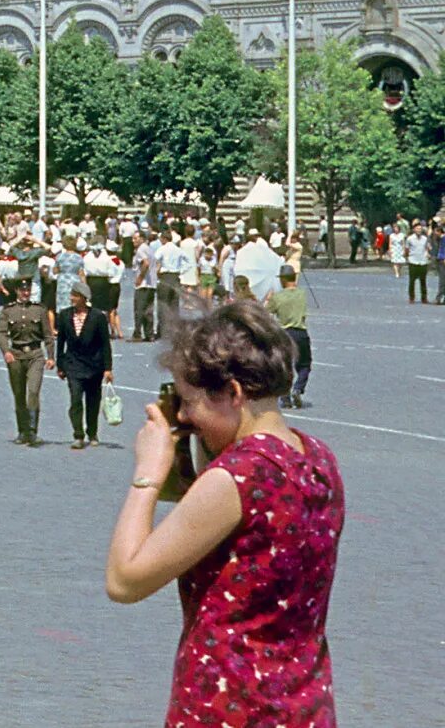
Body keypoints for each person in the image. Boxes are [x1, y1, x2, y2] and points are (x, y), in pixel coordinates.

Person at [105, 302, 343, 726]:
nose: (182, 415)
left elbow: (125, 580)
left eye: (191, 402)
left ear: (233, 393)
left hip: (227, 704)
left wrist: (148, 473)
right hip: (302, 702)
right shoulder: (319, 458)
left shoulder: (236, 477)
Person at [0, 272, 54, 446]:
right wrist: (6, 350)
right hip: (16, 355)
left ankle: (33, 431)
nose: (25, 293)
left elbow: (48, 335)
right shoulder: (8, 310)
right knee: (19, 394)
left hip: (35, 354)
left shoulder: (39, 309)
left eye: (28, 290)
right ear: (16, 291)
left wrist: (51, 356)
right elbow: (1, 333)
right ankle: (22, 431)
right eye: (22, 290)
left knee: (34, 392)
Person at [55, 284, 114, 449]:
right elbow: (61, 343)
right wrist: (60, 365)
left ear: (83, 297)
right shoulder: (65, 315)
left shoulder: (97, 317)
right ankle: (78, 435)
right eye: (71, 295)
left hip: (94, 366)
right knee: (75, 401)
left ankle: (92, 432)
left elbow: (105, 344)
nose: (72, 298)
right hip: (73, 365)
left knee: (93, 402)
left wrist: (108, 368)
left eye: (75, 295)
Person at [265, 263, 312, 409]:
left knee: (285, 366)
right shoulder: (302, 294)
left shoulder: (278, 297)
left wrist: (269, 298)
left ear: (283, 280)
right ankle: (298, 388)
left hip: (285, 333)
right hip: (300, 331)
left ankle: (285, 397)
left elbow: (266, 312)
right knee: (304, 364)